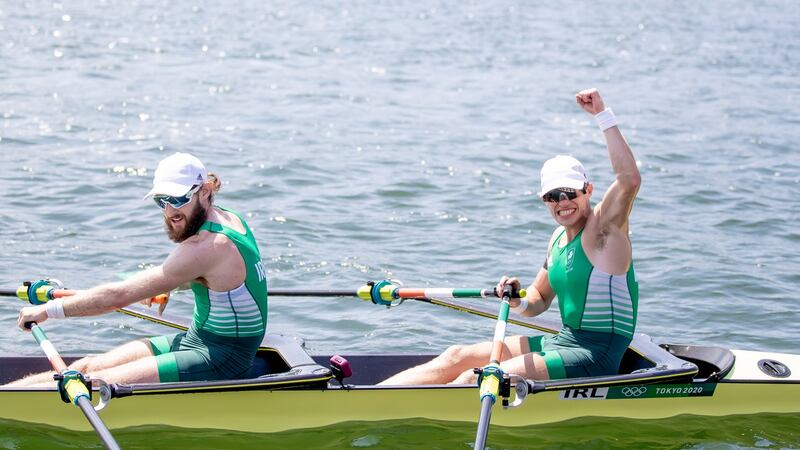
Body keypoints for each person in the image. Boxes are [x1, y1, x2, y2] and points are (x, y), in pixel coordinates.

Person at [380, 88, 640, 385]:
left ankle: (418, 410)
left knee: (473, 378)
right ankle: (372, 398)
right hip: (564, 342)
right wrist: (516, 298)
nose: (562, 202)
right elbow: (538, 301)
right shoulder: (558, 239)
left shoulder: (603, 233)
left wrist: (602, 116)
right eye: (552, 196)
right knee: (457, 356)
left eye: (569, 193)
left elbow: (629, 179)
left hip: (596, 355)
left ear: (588, 191)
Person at [7, 152, 268, 386]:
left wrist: (47, 311)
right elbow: (216, 275)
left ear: (206, 190)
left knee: (89, 383)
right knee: (83, 367)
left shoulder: (208, 246)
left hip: (222, 358)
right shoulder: (228, 217)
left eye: (178, 198)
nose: (169, 211)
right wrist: (172, 283)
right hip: (196, 338)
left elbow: (116, 297)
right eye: (161, 200)